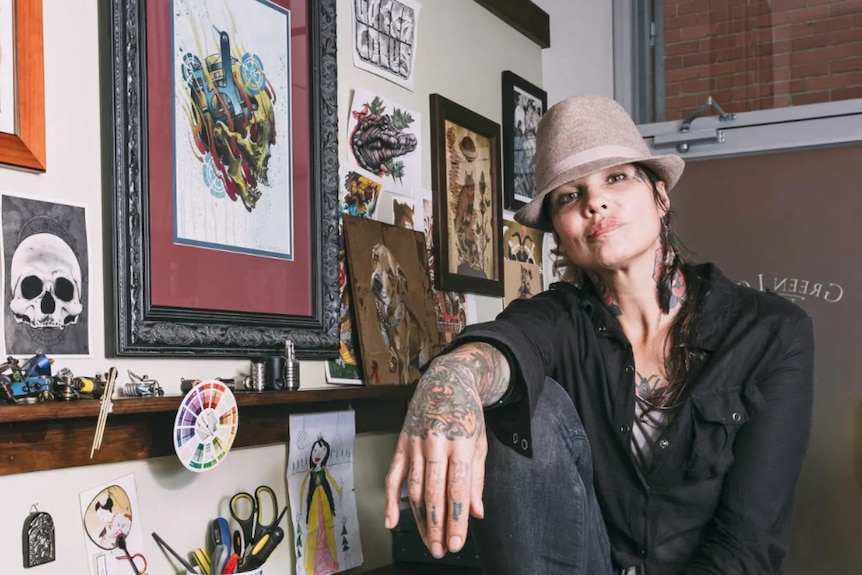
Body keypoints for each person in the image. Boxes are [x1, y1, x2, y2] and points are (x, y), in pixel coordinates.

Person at [383, 94, 814, 574]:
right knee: (526, 404)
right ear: (559, 233)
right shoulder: (559, 319)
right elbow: (509, 345)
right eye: (570, 195)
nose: (595, 201)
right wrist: (451, 378)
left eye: (616, 176)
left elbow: (747, 543)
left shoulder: (770, 332)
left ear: (660, 194)